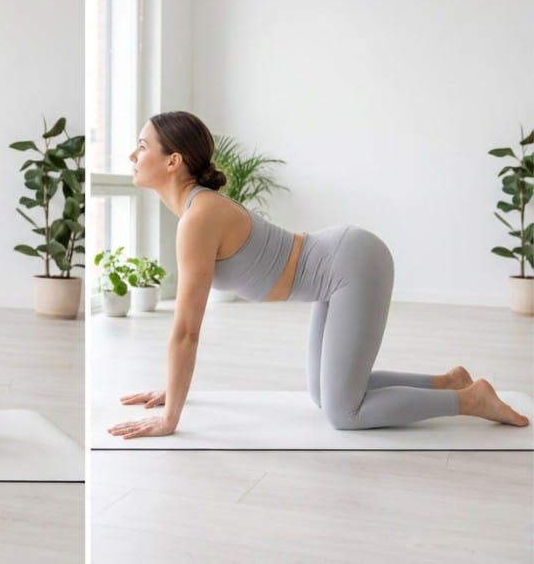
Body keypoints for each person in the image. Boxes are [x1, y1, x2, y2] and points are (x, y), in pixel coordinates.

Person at [109, 111, 529, 439]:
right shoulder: (196, 212)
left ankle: (470, 400)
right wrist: (172, 389)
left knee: (344, 412)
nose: (133, 154)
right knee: (324, 395)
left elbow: (186, 331)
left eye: (141, 145)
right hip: (337, 268)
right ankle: (447, 382)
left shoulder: (198, 217)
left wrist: (171, 417)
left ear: (173, 161)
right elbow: (187, 331)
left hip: (350, 265)